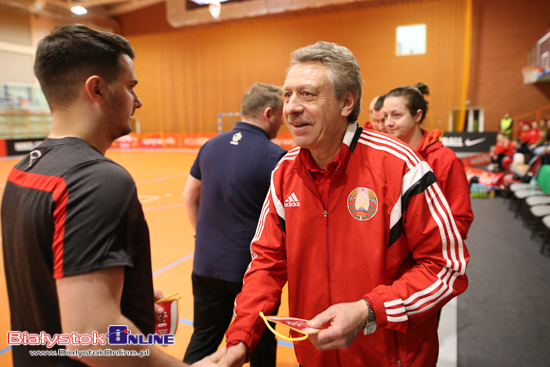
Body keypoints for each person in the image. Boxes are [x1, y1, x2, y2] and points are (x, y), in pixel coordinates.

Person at [219, 41, 470, 367]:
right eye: (287, 95)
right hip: (315, 357)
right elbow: (266, 265)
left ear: (346, 102)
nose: (292, 107)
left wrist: (369, 310)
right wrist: (240, 340)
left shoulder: (401, 166)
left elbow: (446, 268)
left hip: (391, 358)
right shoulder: (284, 172)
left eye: (307, 94)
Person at [1, 24, 224, 367]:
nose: (138, 100)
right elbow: (92, 335)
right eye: (130, 86)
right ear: (97, 89)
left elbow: (47, 286)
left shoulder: (25, 170)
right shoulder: (97, 179)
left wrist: (120, 298)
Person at [182, 83, 287, 366]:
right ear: (268, 113)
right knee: (260, 340)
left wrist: (200, 236)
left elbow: (189, 196)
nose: (283, 120)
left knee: (203, 337)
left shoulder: (210, 146)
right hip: (251, 272)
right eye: (281, 113)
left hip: (205, 264)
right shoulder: (275, 157)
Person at [382, 82, 473, 239]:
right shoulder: (385, 156)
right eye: (385, 116)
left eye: (396, 115)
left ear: (417, 115)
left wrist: (427, 248)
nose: (388, 123)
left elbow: (460, 221)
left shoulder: (446, 160)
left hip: (428, 255)